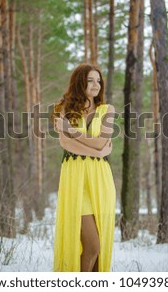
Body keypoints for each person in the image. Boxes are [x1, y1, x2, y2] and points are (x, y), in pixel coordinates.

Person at [52, 63, 116, 272]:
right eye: (90, 80)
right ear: (80, 82)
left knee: (100, 250)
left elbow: (100, 142)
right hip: (75, 179)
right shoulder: (63, 109)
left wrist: (71, 130)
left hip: (101, 179)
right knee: (91, 245)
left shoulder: (107, 110)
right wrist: (98, 150)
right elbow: (66, 144)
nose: (96, 85)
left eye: (98, 80)